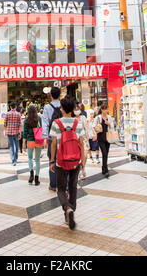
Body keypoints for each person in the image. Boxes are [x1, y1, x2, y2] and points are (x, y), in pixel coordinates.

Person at [50, 96, 85, 230]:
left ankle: (67, 208)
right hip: (75, 160)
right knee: (73, 187)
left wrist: (52, 160)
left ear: (62, 108)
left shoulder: (56, 123)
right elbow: (81, 143)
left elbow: (53, 143)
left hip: (61, 161)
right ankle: (71, 210)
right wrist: (82, 161)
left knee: (61, 189)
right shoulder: (78, 123)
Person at [42, 86, 61, 192]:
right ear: (59, 95)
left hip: (51, 137)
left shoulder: (47, 107)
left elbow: (45, 123)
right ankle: (64, 184)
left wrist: (45, 137)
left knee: (52, 160)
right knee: (63, 159)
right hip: (63, 137)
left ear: (50, 95)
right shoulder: (63, 105)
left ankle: (53, 185)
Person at [74, 104, 96, 180]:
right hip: (75, 140)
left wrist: (91, 135)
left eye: (78, 109)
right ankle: (80, 170)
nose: (77, 111)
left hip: (84, 139)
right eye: (75, 109)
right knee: (78, 155)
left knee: (85, 155)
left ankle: (83, 167)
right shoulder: (72, 118)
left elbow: (87, 127)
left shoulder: (83, 117)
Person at [23, 105, 43, 185]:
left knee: (30, 158)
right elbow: (41, 129)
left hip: (30, 141)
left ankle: (31, 174)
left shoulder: (26, 120)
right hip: (38, 140)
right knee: (37, 159)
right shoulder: (39, 118)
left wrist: (23, 145)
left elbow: (25, 133)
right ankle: (37, 178)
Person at [93, 104, 114, 177]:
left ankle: (103, 168)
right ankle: (106, 170)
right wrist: (95, 134)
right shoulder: (98, 118)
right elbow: (93, 126)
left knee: (106, 153)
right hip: (100, 137)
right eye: (104, 109)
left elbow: (112, 128)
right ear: (101, 110)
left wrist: (109, 124)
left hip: (108, 137)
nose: (106, 111)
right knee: (104, 153)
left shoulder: (109, 117)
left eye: (107, 109)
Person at [4, 102, 22, 166]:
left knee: (11, 146)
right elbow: (20, 125)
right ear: (16, 107)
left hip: (9, 132)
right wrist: (20, 133)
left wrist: (5, 131)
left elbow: (5, 124)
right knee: (16, 146)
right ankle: (16, 159)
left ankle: (13, 160)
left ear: (10, 107)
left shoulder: (7, 114)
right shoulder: (18, 114)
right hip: (16, 132)